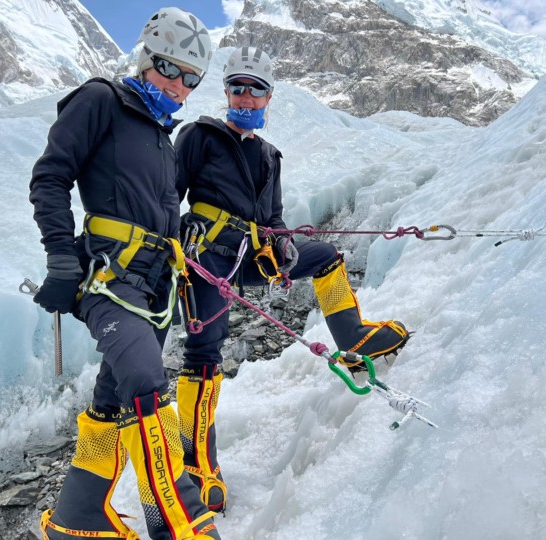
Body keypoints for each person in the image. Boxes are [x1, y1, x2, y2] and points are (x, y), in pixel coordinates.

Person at [173, 46, 410, 513]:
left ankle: (355, 337)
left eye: (255, 90)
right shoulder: (197, 137)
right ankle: (199, 462)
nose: (245, 98)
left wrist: (282, 246)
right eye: (237, 88)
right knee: (205, 351)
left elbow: (275, 217)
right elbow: (168, 197)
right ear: (226, 92)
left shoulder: (268, 156)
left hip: (254, 258)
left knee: (324, 257)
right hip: (208, 258)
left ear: (268, 98)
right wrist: (180, 235)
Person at [29, 8, 221, 540]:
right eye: (170, 69)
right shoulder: (101, 101)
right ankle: (177, 526)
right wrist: (60, 255)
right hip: (107, 280)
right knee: (146, 385)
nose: (180, 86)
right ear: (146, 58)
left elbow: (153, 210)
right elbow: (50, 177)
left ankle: (76, 517)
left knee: (114, 397)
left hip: (155, 286)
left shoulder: (161, 134)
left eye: (191, 78)